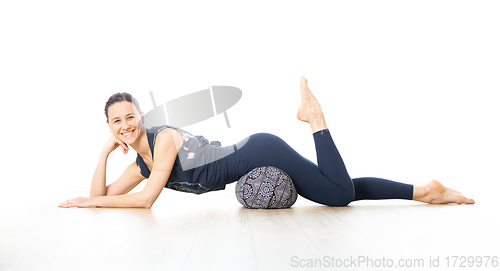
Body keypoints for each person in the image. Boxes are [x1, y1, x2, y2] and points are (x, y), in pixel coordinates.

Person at [58, 77, 475, 208]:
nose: (125, 126)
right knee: (334, 187)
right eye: (117, 123)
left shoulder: (162, 140)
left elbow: (144, 200)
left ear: (141, 117)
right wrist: (102, 154)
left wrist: (85, 202)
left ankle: (316, 119)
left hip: (260, 151)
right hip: (253, 158)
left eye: (130, 117)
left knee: (337, 195)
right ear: (111, 127)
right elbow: (105, 195)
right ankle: (425, 191)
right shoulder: (140, 165)